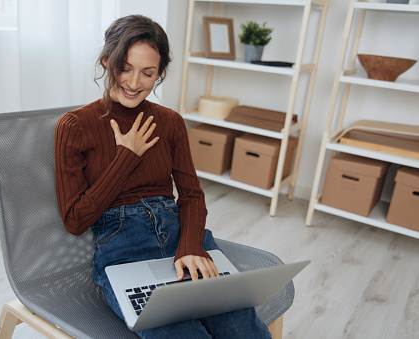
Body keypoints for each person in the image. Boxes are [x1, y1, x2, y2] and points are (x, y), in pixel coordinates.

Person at [54, 14, 271, 339]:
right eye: (124, 67)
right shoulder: (74, 126)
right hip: (123, 244)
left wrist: (190, 246)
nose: (133, 82)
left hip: (179, 229)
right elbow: (75, 219)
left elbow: (192, 195)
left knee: (241, 325)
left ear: (160, 74)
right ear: (105, 61)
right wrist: (127, 156)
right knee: (180, 333)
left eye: (148, 73)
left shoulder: (170, 122)